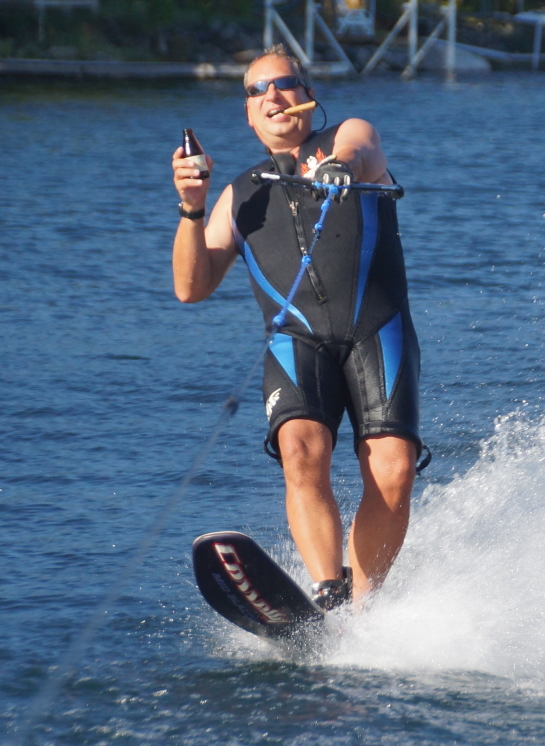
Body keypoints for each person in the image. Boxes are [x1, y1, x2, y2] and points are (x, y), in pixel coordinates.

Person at [171, 45, 423, 610]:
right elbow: (191, 287)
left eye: (285, 84)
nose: (273, 97)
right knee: (301, 450)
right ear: (247, 114)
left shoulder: (350, 141)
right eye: (258, 90)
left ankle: (363, 605)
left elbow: (361, 150)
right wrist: (192, 206)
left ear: (309, 96)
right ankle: (328, 591)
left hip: (376, 333)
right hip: (296, 341)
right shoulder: (239, 195)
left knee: (394, 469)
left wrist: (339, 168)